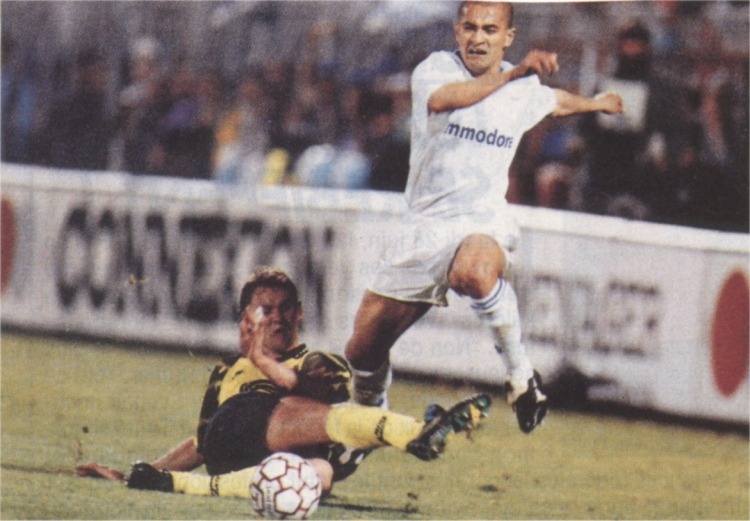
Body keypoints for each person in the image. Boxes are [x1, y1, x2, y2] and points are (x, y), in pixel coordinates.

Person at [343, 1, 623, 433]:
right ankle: (366, 427)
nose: (478, 38)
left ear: (507, 38)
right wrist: (515, 74)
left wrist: (595, 103)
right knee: (362, 352)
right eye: (470, 28)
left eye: (490, 30)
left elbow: (553, 102)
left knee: (473, 271)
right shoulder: (435, 70)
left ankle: (521, 376)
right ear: (457, 32)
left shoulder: (521, 87)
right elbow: (449, 99)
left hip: (483, 220)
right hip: (425, 228)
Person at [76, 267, 491, 498]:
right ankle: (415, 434)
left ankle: (182, 486)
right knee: (288, 414)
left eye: (284, 308)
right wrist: (140, 470)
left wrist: (151, 478)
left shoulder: (319, 362)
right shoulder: (226, 372)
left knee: (320, 474)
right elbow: (204, 441)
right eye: (264, 310)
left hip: (263, 467)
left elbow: (315, 396)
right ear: (245, 317)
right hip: (235, 436)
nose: (276, 317)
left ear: (300, 313)